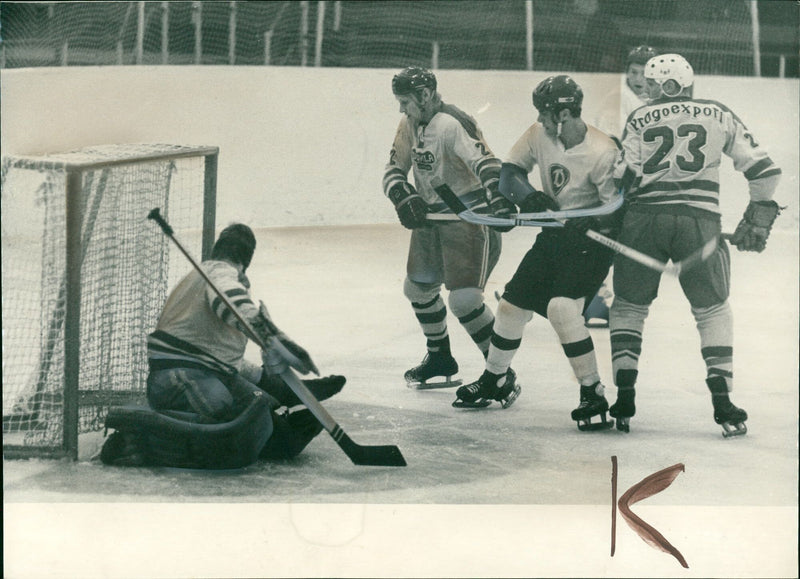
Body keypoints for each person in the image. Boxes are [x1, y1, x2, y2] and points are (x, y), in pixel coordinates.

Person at [609, 54, 782, 436]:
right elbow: (765, 170)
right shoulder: (716, 112)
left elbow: (623, 178)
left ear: (664, 85)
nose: (648, 91)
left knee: (628, 306)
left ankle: (624, 396)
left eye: (652, 84)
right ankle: (723, 400)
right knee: (713, 310)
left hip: (644, 221)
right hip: (698, 221)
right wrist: (759, 207)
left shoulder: (640, 117)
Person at [453, 75, 622, 431]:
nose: (541, 121)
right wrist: (528, 197)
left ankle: (593, 392)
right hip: (554, 237)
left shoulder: (603, 150)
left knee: (562, 309)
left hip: (588, 246)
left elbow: (616, 212)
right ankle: (496, 379)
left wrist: (592, 219)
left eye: (546, 114)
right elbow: (510, 173)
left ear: (563, 113)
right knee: (511, 307)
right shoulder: (538, 135)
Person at [144, 223, 346, 463]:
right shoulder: (221, 273)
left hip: (208, 372)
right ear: (245, 261)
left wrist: (270, 383)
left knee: (265, 402)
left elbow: (225, 359)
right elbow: (229, 299)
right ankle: (147, 443)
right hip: (176, 376)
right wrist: (272, 336)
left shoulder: (204, 277)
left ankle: (284, 397)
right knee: (231, 408)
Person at [383, 66, 516, 389]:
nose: (401, 108)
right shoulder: (409, 123)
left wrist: (497, 196)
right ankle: (440, 356)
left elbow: (486, 163)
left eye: (405, 101)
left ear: (425, 96)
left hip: (466, 219)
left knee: (464, 300)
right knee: (417, 290)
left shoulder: (453, 122)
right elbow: (393, 169)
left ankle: (500, 375)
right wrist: (402, 196)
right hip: (431, 221)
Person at [585, 45, 660, 328]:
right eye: (633, 72)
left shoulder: (647, 100)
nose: (639, 78)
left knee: (612, 243)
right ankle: (594, 302)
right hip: (611, 183)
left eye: (645, 72)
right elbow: (610, 148)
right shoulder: (619, 98)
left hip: (629, 183)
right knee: (606, 242)